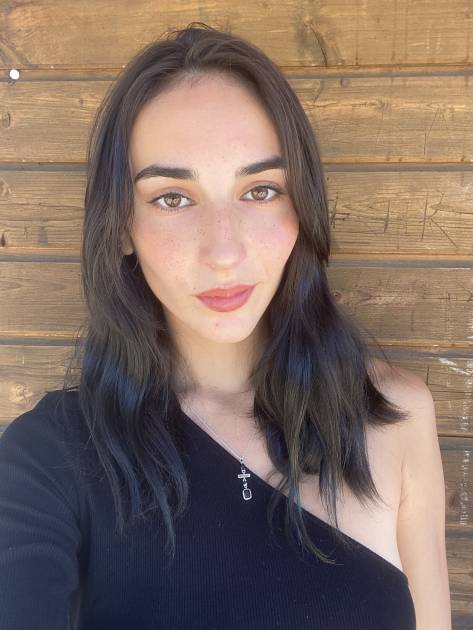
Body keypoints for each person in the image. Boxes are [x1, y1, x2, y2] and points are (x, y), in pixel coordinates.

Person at [0, 23, 451, 630]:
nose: (224, 253)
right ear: (122, 226)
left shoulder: (395, 416)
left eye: (260, 190)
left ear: (302, 207)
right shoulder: (52, 456)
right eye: (172, 198)